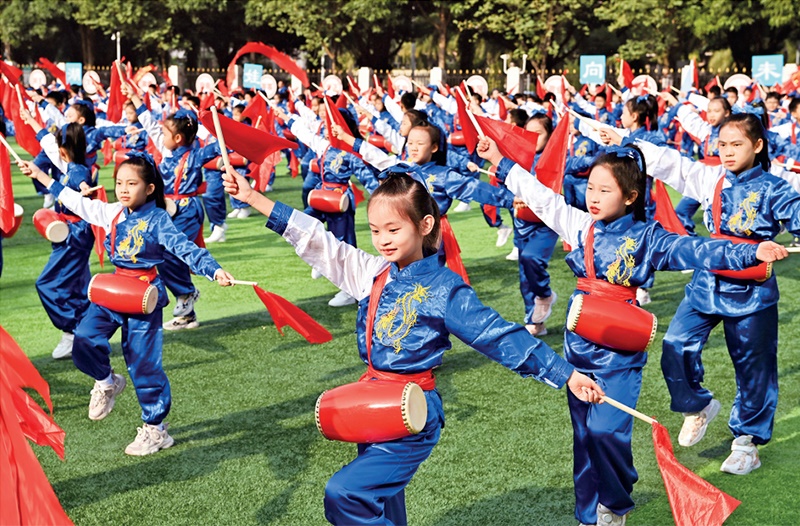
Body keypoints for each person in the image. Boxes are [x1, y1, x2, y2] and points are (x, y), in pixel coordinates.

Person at [221, 163, 605, 525]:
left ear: (425, 225)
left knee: (345, 494)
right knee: (382, 500)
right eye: (374, 230)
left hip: (412, 412)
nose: (382, 240)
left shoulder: (444, 288)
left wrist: (564, 373)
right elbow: (317, 241)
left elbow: (496, 334)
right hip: (370, 402)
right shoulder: (372, 273)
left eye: (393, 229)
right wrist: (254, 197)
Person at [476, 134, 788, 525]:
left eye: (604, 190)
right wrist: (500, 162)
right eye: (590, 187)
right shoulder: (581, 225)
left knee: (608, 432)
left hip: (620, 347)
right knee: (585, 435)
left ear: (629, 196)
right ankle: (591, 513)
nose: (593, 196)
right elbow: (541, 198)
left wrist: (749, 251)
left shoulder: (649, 237)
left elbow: (699, 250)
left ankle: (615, 504)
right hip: (579, 346)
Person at [611, 113, 800, 476]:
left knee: (753, 369)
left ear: (757, 146)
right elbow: (671, 164)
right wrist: (626, 138)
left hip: (751, 292)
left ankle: (747, 442)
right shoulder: (710, 178)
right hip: (707, 280)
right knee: (675, 344)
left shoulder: (776, 188)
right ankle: (696, 405)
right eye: (722, 144)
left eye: (737, 145)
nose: (727, 152)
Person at [18, 153, 234, 456]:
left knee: (143, 363)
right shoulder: (113, 212)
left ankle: (156, 429)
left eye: (131, 183)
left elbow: (184, 247)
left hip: (145, 295)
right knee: (84, 339)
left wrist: (214, 269)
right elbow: (76, 201)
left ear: (148, 188)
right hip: (112, 290)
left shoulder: (159, 218)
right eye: (119, 182)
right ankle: (106, 381)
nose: (123, 189)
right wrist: (40, 175)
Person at [123, 82, 224, 329]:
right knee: (161, 254)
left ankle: (186, 293)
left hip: (188, 208)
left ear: (178, 138)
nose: (160, 136)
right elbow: (148, 122)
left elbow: (221, 144)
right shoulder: (167, 152)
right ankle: (186, 310)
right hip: (166, 208)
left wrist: (224, 125)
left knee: (170, 252)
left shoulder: (196, 154)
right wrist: (136, 98)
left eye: (166, 134)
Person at [32, 123, 95, 359]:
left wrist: (84, 188)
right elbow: (49, 146)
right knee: (76, 285)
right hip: (71, 231)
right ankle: (86, 330)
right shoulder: (65, 163)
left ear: (64, 149)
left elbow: (81, 179)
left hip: (75, 233)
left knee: (47, 284)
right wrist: (32, 122)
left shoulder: (77, 170)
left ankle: (72, 331)